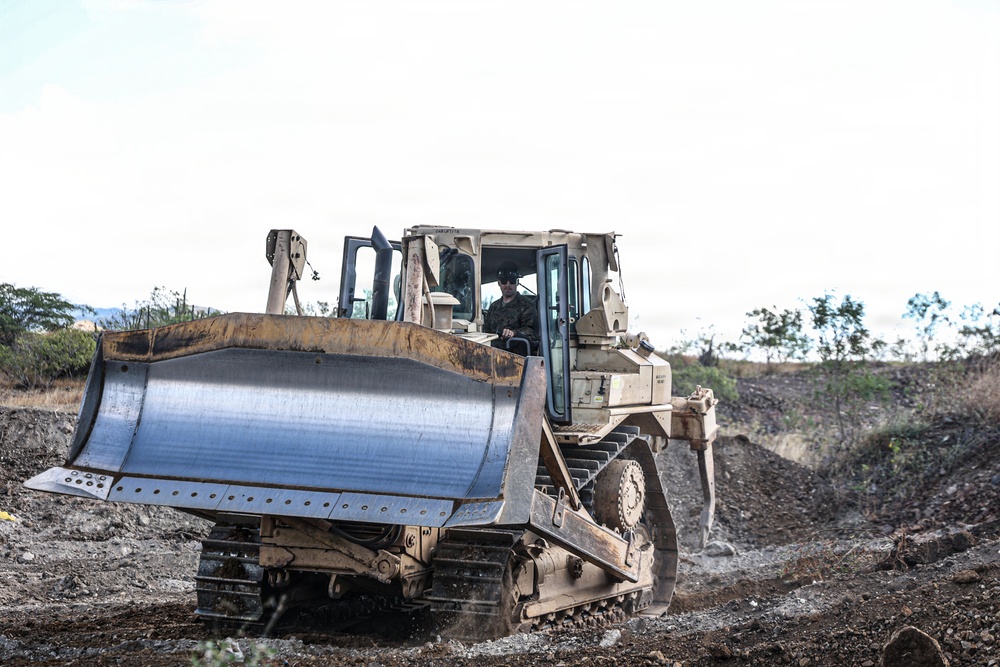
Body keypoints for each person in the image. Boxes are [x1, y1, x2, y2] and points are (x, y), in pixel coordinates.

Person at [483, 261, 539, 353]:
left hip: (516, 354)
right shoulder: (493, 307)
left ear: (517, 282)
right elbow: (486, 332)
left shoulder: (527, 305)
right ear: (499, 283)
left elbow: (531, 330)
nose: (508, 285)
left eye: (512, 281)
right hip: (493, 352)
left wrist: (514, 333)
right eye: (504, 281)